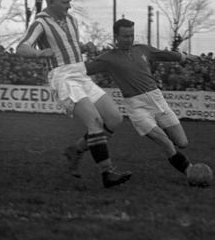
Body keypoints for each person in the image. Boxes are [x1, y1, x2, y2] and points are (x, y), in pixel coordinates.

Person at [15, 0, 131, 189]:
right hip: (63, 77)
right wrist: (39, 53)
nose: (69, 5)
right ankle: (108, 173)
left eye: (70, 1)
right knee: (94, 121)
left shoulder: (71, 20)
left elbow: (69, 46)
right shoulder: (41, 23)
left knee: (114, 118)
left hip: (81, 73)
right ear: (51, 1)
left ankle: (75, 150)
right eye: (65, 1)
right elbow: (21, 48)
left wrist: (84, 47)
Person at [66, 18, 198, 179]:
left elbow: (162, 54)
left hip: (158, 101)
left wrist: (183, 57)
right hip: (137, 107)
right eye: (125, 36)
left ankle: (76, 149)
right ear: (116, 37)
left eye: (131, 35)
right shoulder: (108, 58)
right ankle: (191, 172)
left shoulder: (142, 49)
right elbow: (83, 70)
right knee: (165, 142)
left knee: (182, 143)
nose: (129, 39)